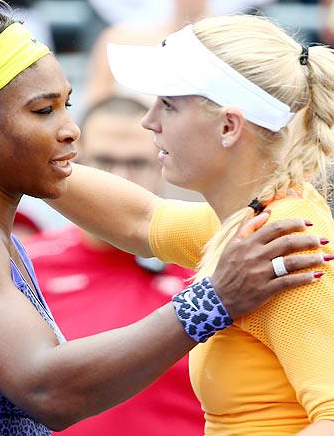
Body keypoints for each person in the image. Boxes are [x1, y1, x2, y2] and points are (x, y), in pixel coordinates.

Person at [0, 6, 329, 434]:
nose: (71, 131)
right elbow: (48, 389)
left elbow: (144, 219)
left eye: (67, 106)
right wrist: (213, 299)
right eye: (44, 111)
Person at [49, 14, 334, 435]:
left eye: (168, 104)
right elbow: (141, 220)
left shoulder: (286, 243)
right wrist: (21, 160)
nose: (149, 121)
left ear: (228, 126)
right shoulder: (256, 221)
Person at [27, 96, 205, 434]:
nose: (121, 178)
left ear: (161, 166)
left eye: (137, 164)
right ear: (72, 162)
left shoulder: (211, 275)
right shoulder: (25, 266)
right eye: (104, 162)